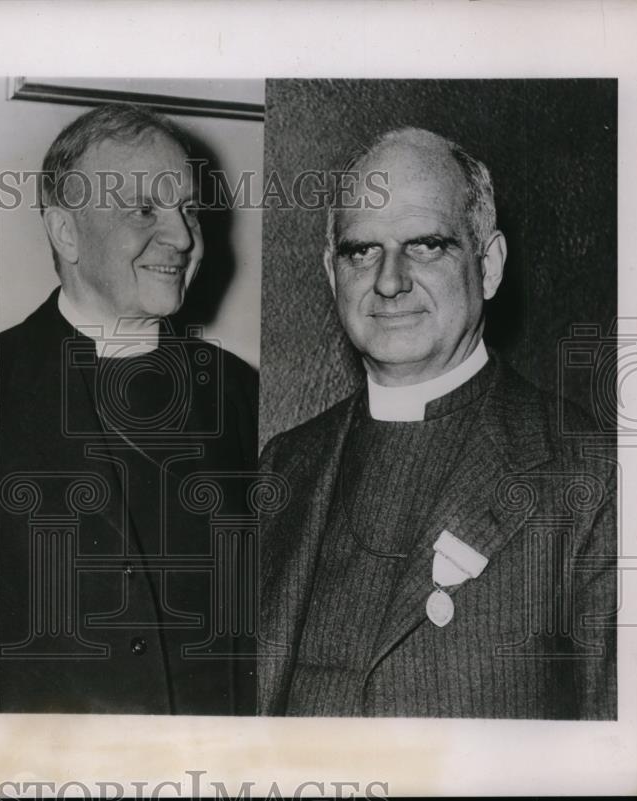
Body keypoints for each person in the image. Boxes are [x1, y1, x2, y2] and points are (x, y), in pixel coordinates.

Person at [257, 127, 616, 719]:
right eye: (361, 251)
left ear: (490, 265)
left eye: (426, 245)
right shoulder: (282, 465)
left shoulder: (594, 476)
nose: (390, 280)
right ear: (331, 273)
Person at [0, 103, 258, 714]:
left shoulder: (237, 392)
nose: (184, 238)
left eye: (187, 208)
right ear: (66, 233)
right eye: (145, 209)